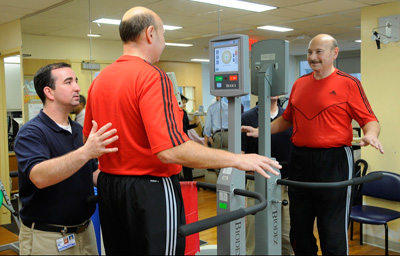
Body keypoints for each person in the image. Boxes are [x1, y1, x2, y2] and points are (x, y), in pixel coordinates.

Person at [82, 6, 281, 255]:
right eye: (164, 35)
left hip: (111, 187)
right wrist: (239, 159)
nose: (164, 43)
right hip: (150, 189)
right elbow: (170, 150)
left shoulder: (100, 80)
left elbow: (91, 141)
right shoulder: (153, 77)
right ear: (150, 33)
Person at [242, 34, 384, 255]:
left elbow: (369, 120)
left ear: (334, 53)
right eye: (310, 52)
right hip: (300, 159)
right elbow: (288, 118)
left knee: (332, 231)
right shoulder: (300, 84)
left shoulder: (349, 83)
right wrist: (261, 130)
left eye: (319, 51)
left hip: (334, 160)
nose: (313, 57)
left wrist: (371, 134)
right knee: (299, 231)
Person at [14, 62, 119, 255]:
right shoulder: (31, 133)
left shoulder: (79, 131)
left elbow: (92, 173)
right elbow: (39, 177)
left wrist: (124, 183)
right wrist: (86, 151)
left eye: (76, 81)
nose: (77, 87)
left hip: (85, 232)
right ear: (49, 92)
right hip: (48, 238)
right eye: (68, 82)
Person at [242, 97, 293, 255]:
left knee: (287, 238)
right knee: (254, 238)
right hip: (257, 185)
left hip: (285, 185)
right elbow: (240, 154)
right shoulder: (248, 117)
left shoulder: (288, 118)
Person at [180, 94, 199, 181]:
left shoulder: (184, 113)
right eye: (183, 103)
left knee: (187, 162)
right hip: (177, 140)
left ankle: (189, 181)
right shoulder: (172, 113)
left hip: (184, 139)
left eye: (185, 103)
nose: (184, 104)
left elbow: (186, 126)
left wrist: (195, 124)